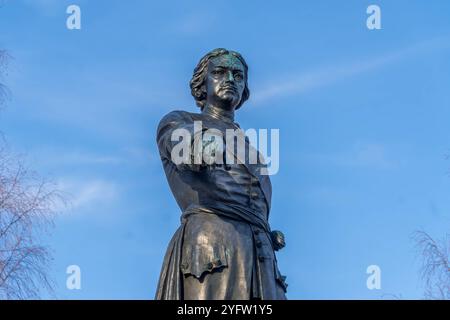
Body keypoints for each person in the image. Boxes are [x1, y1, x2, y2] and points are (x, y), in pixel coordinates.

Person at [155, 48, 287, 300]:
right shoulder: (180, 121)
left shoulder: (252, 148)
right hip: (214, 248)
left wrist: (265, 230)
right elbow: (184, 149)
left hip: (261, 259)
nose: (230, 80)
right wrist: (200, 144)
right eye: (219, 72)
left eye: (238, 76)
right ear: (202, 84)